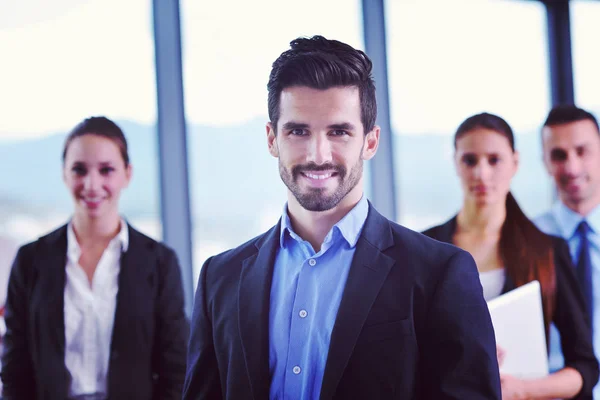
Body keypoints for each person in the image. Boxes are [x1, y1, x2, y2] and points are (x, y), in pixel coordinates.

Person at [183, 35, 501, 400]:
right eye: (298, 131)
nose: (318, 155)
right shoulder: (219, 278)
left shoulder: (439, 273)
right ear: (272, 139)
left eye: (339, 131)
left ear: (370, 141)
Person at [0, 116, 189, 400]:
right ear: (64, 174)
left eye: (106, 170)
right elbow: (15, 370)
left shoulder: (160, 263)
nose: (91, 184)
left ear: (127, 173)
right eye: (79, 169)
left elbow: (176, 370)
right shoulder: (30, 261)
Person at [423, 112, 599, 399]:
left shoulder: (546, 250)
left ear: (515, 162)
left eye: (494, 159)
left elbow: (585, 366)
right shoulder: (425, 248)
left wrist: (524, 391)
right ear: (455, 162)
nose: (482, 173)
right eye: (470, 160)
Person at [534, 105, 600, 398]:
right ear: (545, 162)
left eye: (582, 151)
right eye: (558, 155)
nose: (571, 167)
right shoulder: (529, 241)